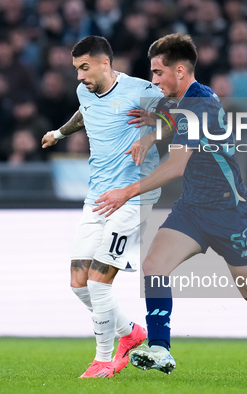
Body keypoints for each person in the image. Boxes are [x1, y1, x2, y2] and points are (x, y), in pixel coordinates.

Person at [93, 33, 247, 375]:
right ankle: (160, 349)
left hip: (229, 211)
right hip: (192, 209)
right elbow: (169, 121)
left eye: (158, 72)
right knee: (154, 265)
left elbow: (176, 166)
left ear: (180, 70)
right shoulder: (177, 99)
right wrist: (150, 135)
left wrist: (126, 192)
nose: (153, 79)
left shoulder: (201, 104)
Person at [41, 36, 163, 379]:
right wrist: (59, 134)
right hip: (97, 198)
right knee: (78, 283)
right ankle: (131, 333)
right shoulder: (86, 92)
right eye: (76, 69)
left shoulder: (140, 90)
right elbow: (85, 113)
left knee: (98, 282)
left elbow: (179, 114)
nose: (79, 76)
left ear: (105, 64)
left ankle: (104, 360)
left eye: (84, 68)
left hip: (132, 197)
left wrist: (150, 136)